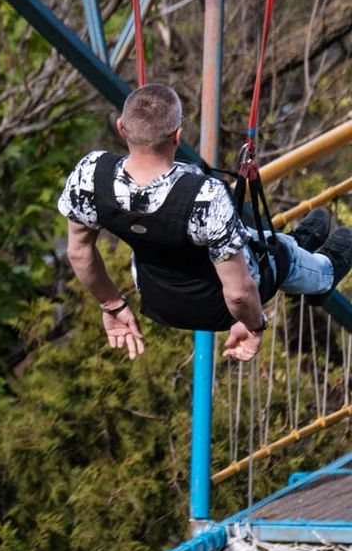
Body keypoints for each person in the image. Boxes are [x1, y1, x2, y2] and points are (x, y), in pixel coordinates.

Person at [58, 84, 352, 363]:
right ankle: (321, 273)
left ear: (122, 127)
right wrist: (253, 326)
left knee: (236, 236)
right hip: (216, 305)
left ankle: (293, 243)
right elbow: (238, 293)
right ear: (177, 135)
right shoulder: (204, 196)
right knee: (279, 260)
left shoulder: (90, 174)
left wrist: (113, 305)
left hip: (156, 296)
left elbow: (79, 253)